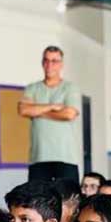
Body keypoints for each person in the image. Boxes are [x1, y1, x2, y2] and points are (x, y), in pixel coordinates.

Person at [21, 46, 81, 183]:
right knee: (37, 202)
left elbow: (69, 114)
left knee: (68, 201)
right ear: (42, 62)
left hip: (66, 157)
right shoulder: (32, 88)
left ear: (61, 64)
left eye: (54, 61)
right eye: (46, 60)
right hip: (39, 157)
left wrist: (38, 112)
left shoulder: (70, 88)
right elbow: (24, 110)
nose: (50, 65)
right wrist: (53, 107)